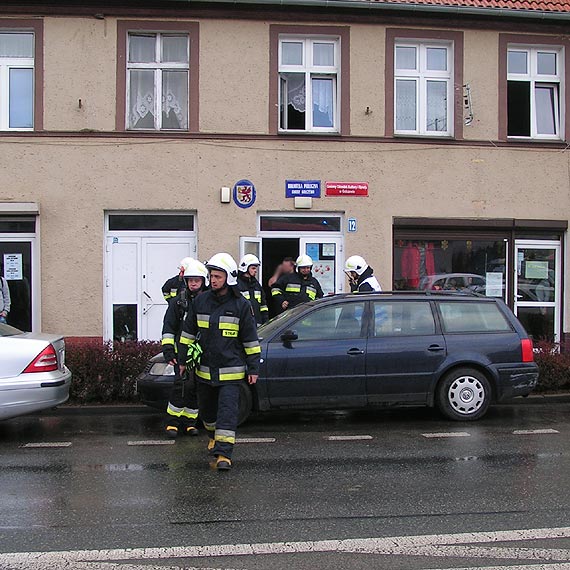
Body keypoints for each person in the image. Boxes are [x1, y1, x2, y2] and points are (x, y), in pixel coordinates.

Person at [182, 253, 261, 471]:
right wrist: (182, 360)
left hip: (231, 373)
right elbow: (188, 334)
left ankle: (224, 454)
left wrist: (253, 367)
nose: (213, 280)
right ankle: (213, 436)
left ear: (229, 278)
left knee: (227, 412)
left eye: (217, 276)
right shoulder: (200, 301)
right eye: (211, 276)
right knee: (207, 414)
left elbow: (250, 340)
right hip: (204, 371)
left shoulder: (241, 305)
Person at [161, 258, 208, 439]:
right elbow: (168, 327)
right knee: (181, 385)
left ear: (203, 281)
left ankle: (190, 422)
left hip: (201, 352)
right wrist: (168, 351)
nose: (193, 283)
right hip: (182, 352)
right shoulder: (178, 302)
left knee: (195, 387)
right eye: (190, 280)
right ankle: (172, 422)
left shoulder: (208, 301)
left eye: (197, 280)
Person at [237, 254, 269, 326]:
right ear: (245, 267)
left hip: (258, 324)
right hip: (243, 325)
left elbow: (263, 305)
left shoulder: (256, 285)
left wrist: (266, 321)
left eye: (256, 268)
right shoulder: (237, 285)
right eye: (253, 268)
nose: (255, 271)